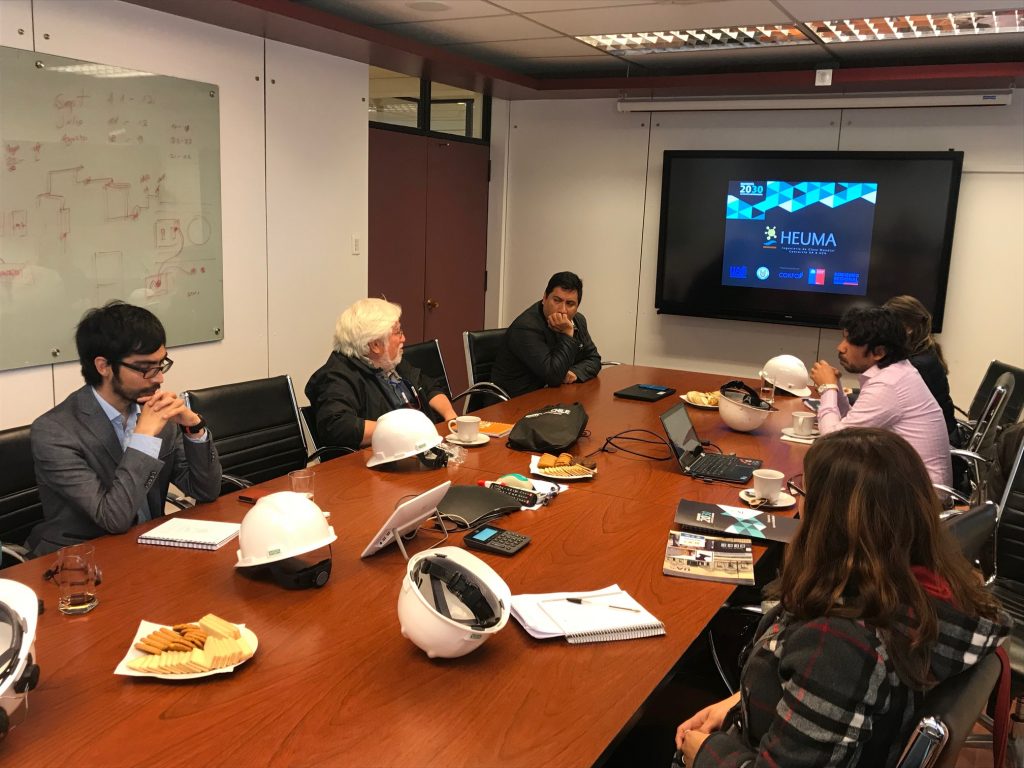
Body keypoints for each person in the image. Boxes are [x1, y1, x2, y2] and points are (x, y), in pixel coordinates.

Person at [675, 428, 1008, 766]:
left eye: (805, 492)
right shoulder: (911, 596)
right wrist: (738, 702)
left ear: (830, 521)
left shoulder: (836, 648)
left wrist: (706, 752)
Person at [27, 302, 222, 556]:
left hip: (147, 547)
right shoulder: (55, 432)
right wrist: (143, 439)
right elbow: (113, 518)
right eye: (145, 368)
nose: (159, 377)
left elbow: (206, 490)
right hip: (82, 558)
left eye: (161, 363)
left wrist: (195, 428)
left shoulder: (154, 412)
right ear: (103, 366)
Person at [810, 306, 952, 487]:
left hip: (917, 496)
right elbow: (853, 429)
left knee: (818, 475)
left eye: (851, 342)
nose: (841, 347)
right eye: (844, 338)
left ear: (879, 352)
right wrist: (835, 386)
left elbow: (832, 443)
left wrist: (827, 387)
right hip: (903, 482)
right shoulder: (897, 372)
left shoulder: (889, 385)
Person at [304, 298, 457, 451]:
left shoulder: (389, 362)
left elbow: (428, 386)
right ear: (375, 345)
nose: (404, 338)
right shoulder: (336, 378)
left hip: (424, 445)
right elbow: (337, 426)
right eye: (398, 333)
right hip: (381, 457)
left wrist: (449, 415)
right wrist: (400, 429)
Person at [490, 271, 601, 398]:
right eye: (557, 300)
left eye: (570, 304)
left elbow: (594, 359)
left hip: (550, 395)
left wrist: (574, 372)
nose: (562, 310)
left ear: (577, 307)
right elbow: (553, 376)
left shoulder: (578, 320)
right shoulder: (526, 327)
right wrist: (567, 334)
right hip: (514, 401)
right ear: (544, 298)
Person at [884, 295, 958, 441]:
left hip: (933, 442)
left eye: (888, 325)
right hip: (942, 435)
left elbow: (888, 404)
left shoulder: (916, 366)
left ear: (908, 328)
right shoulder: (925, 352)